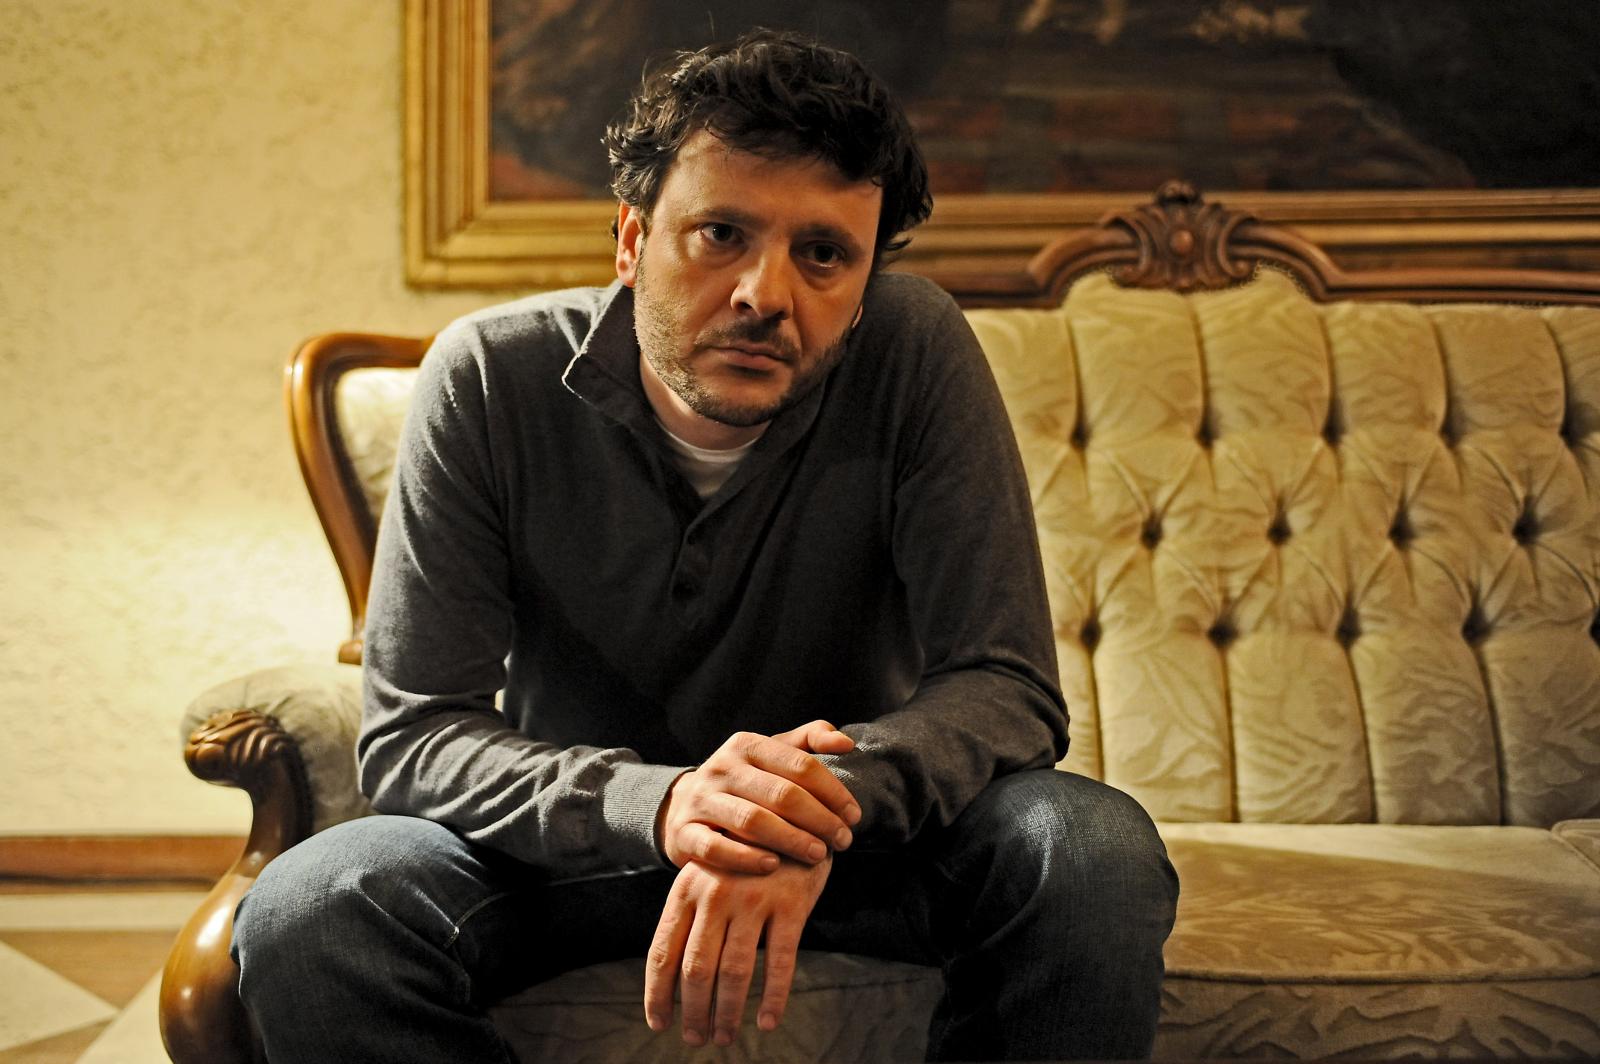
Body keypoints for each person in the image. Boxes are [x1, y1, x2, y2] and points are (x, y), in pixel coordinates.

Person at [232, 28, 1178, 1062]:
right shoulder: (489, 376)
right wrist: (666, 802)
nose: (766, 295)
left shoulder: (914, 351)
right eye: (720, 233)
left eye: (823, 255)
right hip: (569, 854)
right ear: (631, 241)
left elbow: (1007, 686)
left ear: (865, 278)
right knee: (317, 905)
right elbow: (416, 735)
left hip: (857, 846)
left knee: (1087, 847)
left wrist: (808, 807)